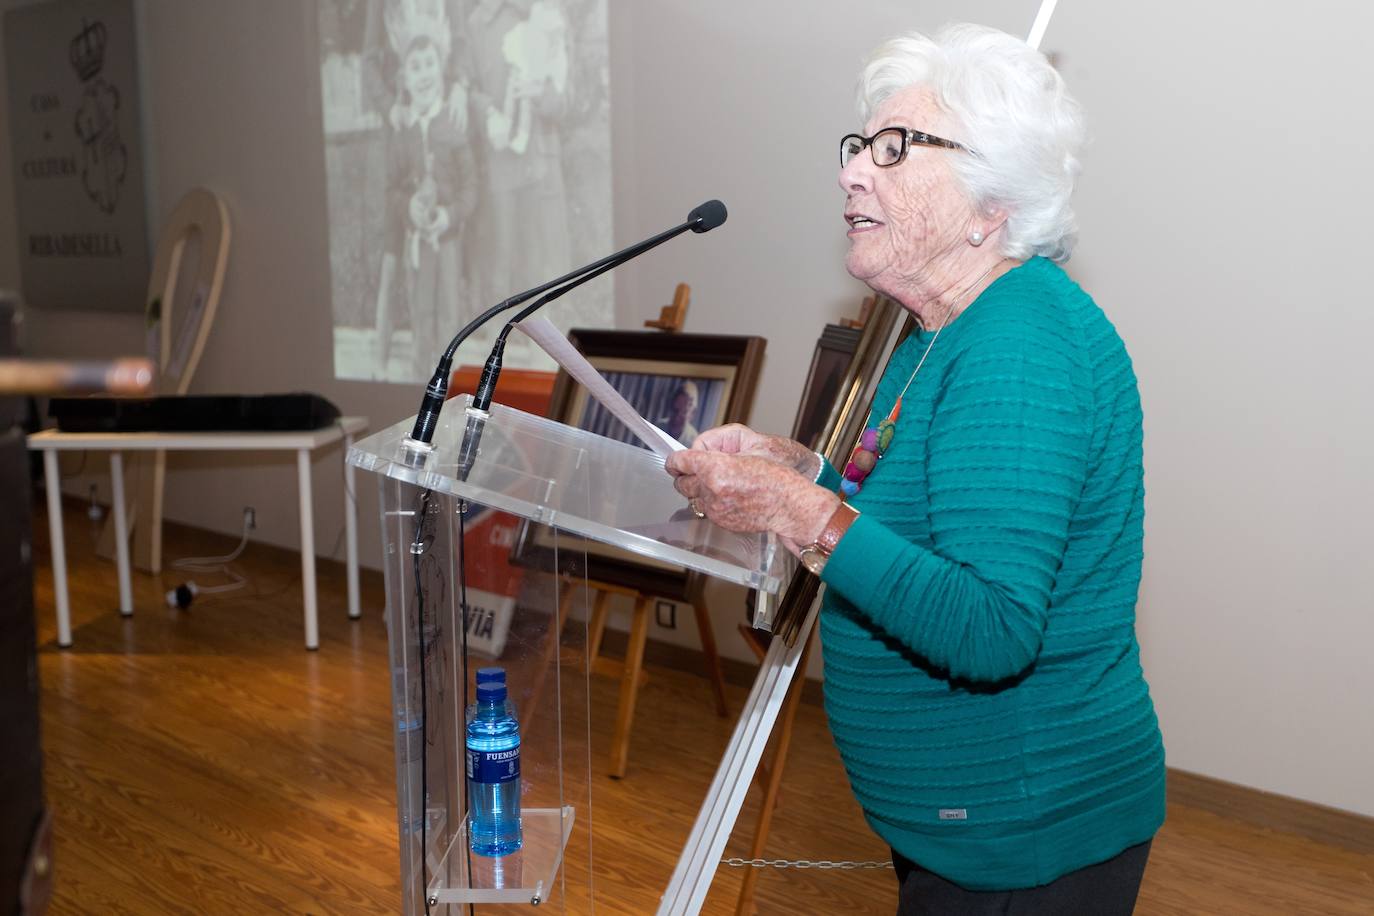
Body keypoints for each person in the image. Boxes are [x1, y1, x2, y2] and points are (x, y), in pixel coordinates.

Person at [666, 24, 1165, 915]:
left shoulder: (1020, 341)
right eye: (859, 146)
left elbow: (991, 625)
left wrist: (796, 510)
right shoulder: (939, 332)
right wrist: (804, 468)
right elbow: (924, 507)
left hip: (1025, 835)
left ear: (992, 203)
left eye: (896, 150)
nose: (853, 171)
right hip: (971, 827)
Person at [657, 380, 702, 447]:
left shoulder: (694, 442)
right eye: (675, 410)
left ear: (692, 414)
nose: (677, 418)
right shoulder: (658, 427)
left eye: (684, 412)